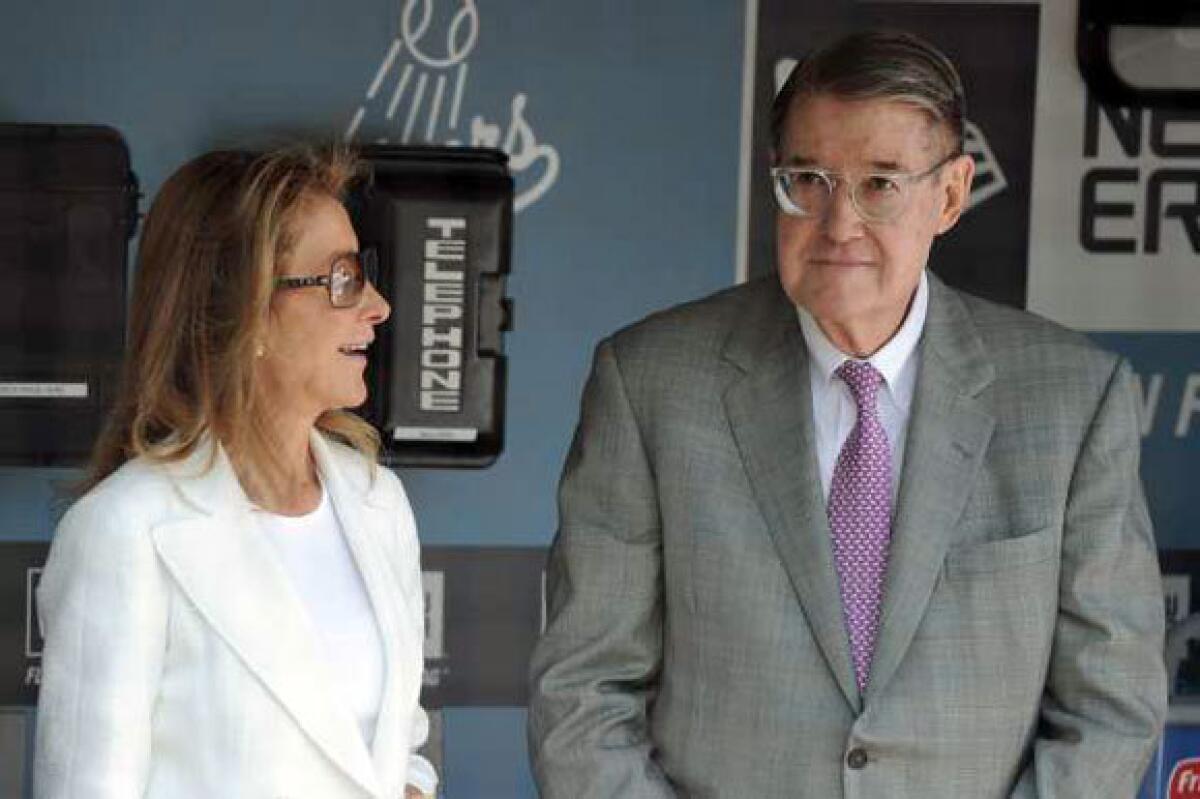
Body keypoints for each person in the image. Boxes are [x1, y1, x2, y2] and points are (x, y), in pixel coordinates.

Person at [529, 30, 1167, 798]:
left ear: (952, 194)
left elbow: (1111, 707)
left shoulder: (1072, 400)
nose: (838, 224)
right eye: (809, 178)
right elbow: (582, 690)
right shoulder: (653, 382)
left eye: (880, 184)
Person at [34, 147, 437, 799]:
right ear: (245, 307)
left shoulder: (377, 501)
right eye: (342, 278)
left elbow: (399, 749)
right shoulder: (124, 530)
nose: (378, 305)